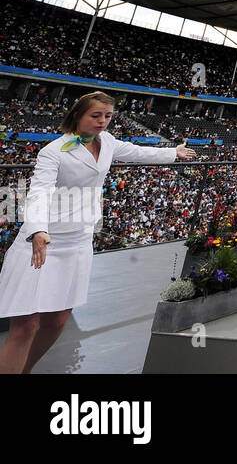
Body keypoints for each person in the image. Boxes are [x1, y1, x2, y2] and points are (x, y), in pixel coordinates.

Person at [0, 91, 196, 374]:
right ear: (78, 115)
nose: (102, 121)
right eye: (96, 115)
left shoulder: (108, 143)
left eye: (107, 116)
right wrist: (38, 230)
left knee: (56, 321)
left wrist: (171, 152)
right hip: (42, 242)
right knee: (25, 326)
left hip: (78, 242)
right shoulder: (53, 151)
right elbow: (39, 192)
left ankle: (26, 369)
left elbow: (137, 151)